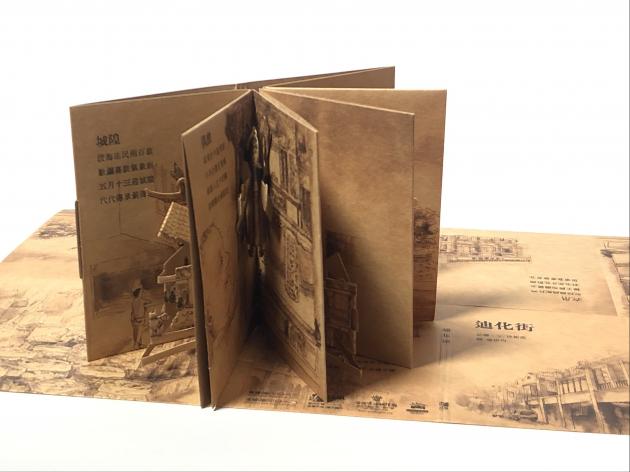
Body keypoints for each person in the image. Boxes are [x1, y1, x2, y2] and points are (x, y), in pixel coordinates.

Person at [131, 283, 149, 349]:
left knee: (137, 332)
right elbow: (148, 302)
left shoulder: (133, 301)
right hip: (140, 318)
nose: (141, 293)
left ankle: (139, 344)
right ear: (138, 293)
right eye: (141, 292)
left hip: (135, 319)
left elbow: (133, 311)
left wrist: (132, 319)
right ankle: (137, 344)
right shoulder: (141, 301)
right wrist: (145, 307)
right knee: (139, 332)